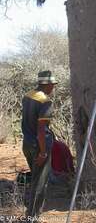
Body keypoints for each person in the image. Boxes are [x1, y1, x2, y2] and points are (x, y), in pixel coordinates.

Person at [21, 70, 57, 222]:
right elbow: (41, 129)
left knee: (35, 179)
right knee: (40, 183)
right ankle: (32, 217)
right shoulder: (45, 101)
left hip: (27, 143)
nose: (53, 87)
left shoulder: (27, 96)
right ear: (46, 85)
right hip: (39, 146)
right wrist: (43, 152)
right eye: (52, 85)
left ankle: (30, 213)